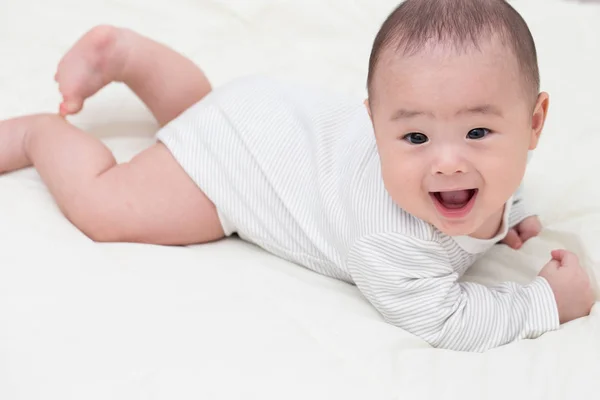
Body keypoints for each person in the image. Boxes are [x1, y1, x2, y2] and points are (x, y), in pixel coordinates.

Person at [0, 0, 594, 352]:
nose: (448, 162)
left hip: (265, 113)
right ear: (375, 123)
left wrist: (512, 211)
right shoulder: (394, 241)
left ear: (533, 123)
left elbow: (505, 178)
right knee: (111, 207)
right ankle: (37, 135)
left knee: (198, 113)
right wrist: (544, 302)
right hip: (237, 167)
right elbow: (445, 319)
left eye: (479, 133)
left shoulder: (486, 171)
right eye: (413, 137)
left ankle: (129, 56)